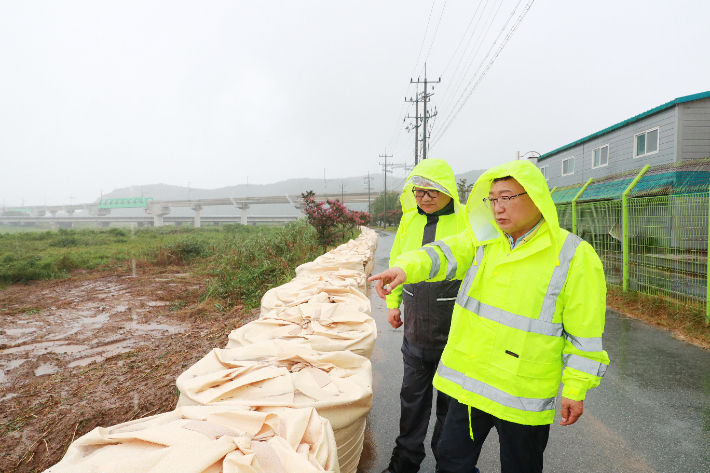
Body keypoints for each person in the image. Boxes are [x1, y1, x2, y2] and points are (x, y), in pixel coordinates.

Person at [370, 160, 610, 473]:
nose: (498, 207)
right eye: (492, 199)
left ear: (535, 196)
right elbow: (442, 252)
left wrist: (576, 389)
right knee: (451, 463)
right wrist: (404, 268)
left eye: (507, 197)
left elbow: (585, 334)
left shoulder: (573, 256)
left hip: (522, 395)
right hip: (470, 384)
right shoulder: (484, 240)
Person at [381, 159, 467, 473]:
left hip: (455, 327)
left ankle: (447, 463)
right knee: (412, 400)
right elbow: (397, 260)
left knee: (450, 405)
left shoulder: (467, 220)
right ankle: (405, 460)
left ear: (448, 191)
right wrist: (392, 304)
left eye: (432, 191)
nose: (424, 198)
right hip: (416, 324)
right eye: (418, 191)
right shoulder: (409, 221)